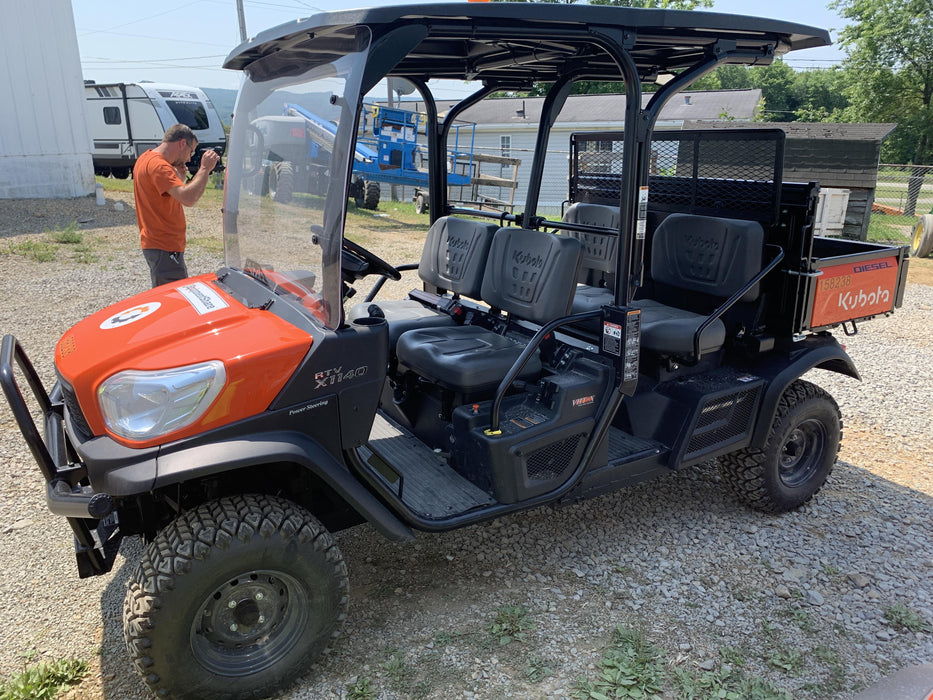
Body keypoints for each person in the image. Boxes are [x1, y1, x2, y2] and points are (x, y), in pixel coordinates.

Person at [133, 124, 221, 287]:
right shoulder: (160, 166)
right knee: (173, 301)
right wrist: (204, 169)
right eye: (190, 151)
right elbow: (188, 198)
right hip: (164, 247)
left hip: (158, 246)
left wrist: (179, 179)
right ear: (182, 143)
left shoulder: (146, 158)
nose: (189, 158)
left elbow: (165, 196)